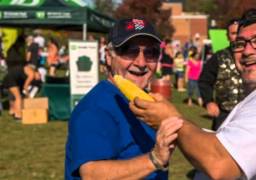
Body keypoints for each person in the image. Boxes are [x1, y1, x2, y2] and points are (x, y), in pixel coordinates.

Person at [130, 8, 256, 179]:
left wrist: (170, 119)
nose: (246, 51)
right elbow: (224, 145)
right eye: (240, 43)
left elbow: (220, 164)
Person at [65, 18, 181, 180]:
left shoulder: (144, 101)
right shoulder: (95, 108)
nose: (141, 62)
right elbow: (92, 174)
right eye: (129, 50)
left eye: (151, 53)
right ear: (109, 56)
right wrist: (154, 159)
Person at [198, 19, 244, 130]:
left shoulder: (255, 57)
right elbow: (204, 81)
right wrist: (209, 102)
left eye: (239, 33)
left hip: (249, 115)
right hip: (224, 114)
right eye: (233, 33)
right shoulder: (218, 57)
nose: (237, 36)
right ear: (227, 36)